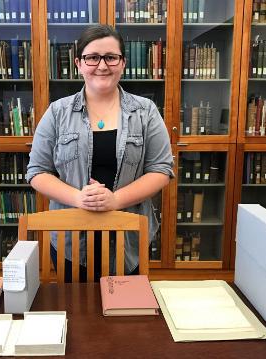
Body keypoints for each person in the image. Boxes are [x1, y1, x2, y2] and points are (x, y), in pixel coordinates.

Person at [26, 24, 174, 282]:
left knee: (125, 313)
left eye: (111, 57)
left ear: (123, 62)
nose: (102, 65)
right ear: (78, 63)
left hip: (129, 237)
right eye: (92, 57)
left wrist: (115, 200)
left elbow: (161, 170)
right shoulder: (57, 112)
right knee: (74, 310)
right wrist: (79, 197)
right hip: (70, 238)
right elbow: (37, 172)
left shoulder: (145, 111)